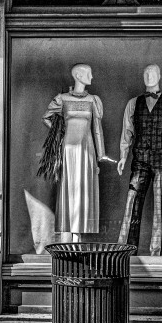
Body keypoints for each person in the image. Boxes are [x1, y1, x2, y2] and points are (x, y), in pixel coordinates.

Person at [117, 64, 162, 255]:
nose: (149, 76)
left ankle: (159, 253)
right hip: (140, 159)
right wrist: (123, 156)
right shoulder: (133, 103)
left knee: (161, 204)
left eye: (152, 73)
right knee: (133, 201)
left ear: (159, 76)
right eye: (146, 73)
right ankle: (126, 251)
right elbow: (127, 132)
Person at [42, 64, 110, 242]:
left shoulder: (93, 100)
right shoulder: (62, 99)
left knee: (83, 190)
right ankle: (68, 236)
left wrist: (100, 154)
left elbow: (97, 129)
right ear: (78, 76)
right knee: (69, 189)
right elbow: (46, 118)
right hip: (68, 151)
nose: (92, 77)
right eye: (89, 73)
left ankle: (77, 237)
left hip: (87, 151)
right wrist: (60, 133)